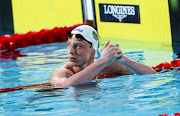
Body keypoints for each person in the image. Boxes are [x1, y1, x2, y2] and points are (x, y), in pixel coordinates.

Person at [50, 25, 156, 88]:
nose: (71, 51)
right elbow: (63, 86)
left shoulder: (110, 66)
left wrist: (124, 60)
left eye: (78, 46)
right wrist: (103, 61)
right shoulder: (63, 72)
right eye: (69, 45)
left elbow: (152, 75)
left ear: (93, 50)